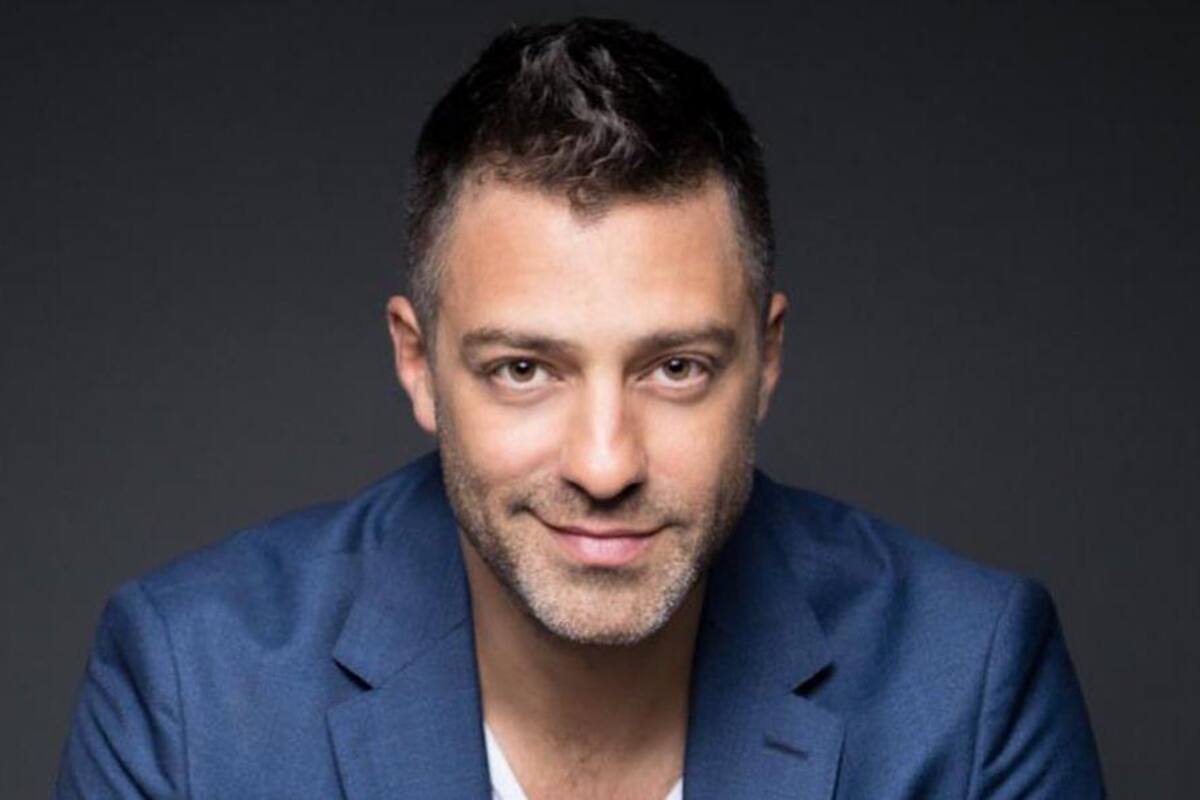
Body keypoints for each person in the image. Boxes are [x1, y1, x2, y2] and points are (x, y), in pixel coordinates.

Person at [56, 17, 1104, 799]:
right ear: (418, 366)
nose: (605, 465)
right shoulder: (194, 689)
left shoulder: (968, 684)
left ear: (767, 360)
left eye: (676, 368)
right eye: (524, 369)